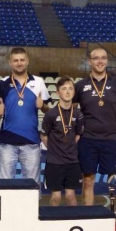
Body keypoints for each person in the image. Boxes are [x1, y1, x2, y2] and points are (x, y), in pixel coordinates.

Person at [73, 48, 116, 206]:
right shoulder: (80, 85)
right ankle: (87, 215)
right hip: (87, 139)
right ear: (90, 61)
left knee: (112, 181)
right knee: (88, 179)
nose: (100, 61)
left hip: (110, 139)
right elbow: (71, 110)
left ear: (107, 61)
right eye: (96, 58)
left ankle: (111, 215)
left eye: (103, 58)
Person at [0, 47, 50, 183]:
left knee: (32, 185)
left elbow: (47, 109)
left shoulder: (38, 82)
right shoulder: (2, 83)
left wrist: (43, 106)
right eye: (16, 60)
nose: (19, 63)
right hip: (7, 142)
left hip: (31, 142)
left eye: (22, 60)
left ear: (27, 61)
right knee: (4, 184)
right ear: (10, 63)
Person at [40, 76, 84, 206]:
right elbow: (44, 136)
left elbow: (77, 136)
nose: (68, 91)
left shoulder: (78, 114)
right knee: (56, 197)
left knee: (71, 196)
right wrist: (55, 149)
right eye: (64, 89)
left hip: (72, 161)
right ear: (58, 93)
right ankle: (53, 226)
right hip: (55, 162)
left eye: (70, 88)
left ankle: (75, 224)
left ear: (74, 92)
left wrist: (67, 148)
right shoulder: (50, 114)